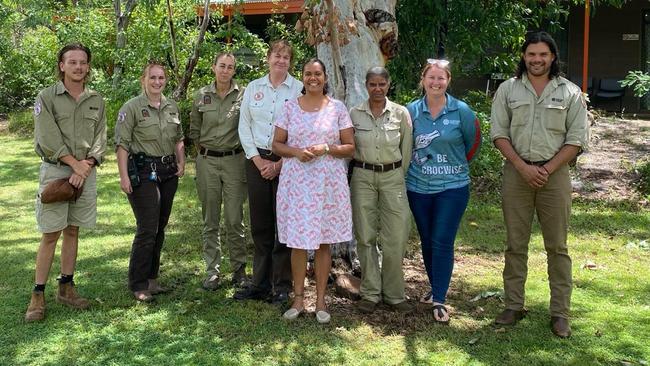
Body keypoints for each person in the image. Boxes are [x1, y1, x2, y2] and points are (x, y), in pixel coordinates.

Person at [490, 31, 589, 338]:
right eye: (531, 54)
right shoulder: (508, 90)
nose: (536, 59)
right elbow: (499, 133)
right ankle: (513, 305)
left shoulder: (570, 92)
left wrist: (545, 169)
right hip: (516, 175)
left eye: (543, 54)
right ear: (524, 56)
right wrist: (522, 167)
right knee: (515, 244)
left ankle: (560, 313)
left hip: (554, 177)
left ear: (552, 57)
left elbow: (576, 140)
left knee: (557, 246)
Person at [25, 43, 107, 322]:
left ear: (88, 66)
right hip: (57, 172)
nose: (78, 67)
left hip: (85, 173)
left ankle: (66, 287)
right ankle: (37, 295)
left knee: (73, 230)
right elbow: (47, 138)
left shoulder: (97, 99)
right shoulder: (46, 97)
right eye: (72, 62)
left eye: (83, 62)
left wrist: (88, 165)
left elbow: (100, 138)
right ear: (62, 66)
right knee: (51, 234)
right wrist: (75, 165)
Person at [272, 58, 355, 324]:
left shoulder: (338, 108)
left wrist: (327, 148)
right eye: (308, 74)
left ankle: (320, 300)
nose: (313, 78)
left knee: (322, 241)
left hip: (328, 183)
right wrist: (296, 152)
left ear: (325, 77)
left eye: (317, 74)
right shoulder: (289, 108)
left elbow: (350, 147)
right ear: (303, 77)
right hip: (297, 183)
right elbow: (276, 144)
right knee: (297, 242)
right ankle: (298, 298)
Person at [406, 59, 481, 324]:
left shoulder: (461, 111)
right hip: (417, 187)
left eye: (441, 78)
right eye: (431, 78)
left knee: (442, 240)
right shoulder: (411, 111)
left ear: (448, 81)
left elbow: (472, 146)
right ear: (423, 79)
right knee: (427, 239)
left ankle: (439, 299)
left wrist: (452, 167)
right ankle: (436, 285)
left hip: (452, 187)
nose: (436, 83)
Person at [235, 40, 303, 305]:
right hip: (256, 161)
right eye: (277, 55)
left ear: (290, 62)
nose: (281, 60)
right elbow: (244, 126)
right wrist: (258, 161)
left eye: (286, 57)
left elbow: (301, 130)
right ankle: (260, 283)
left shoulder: (298, 89)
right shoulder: (254, 88)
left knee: (283, 224)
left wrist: (279, 165)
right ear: (268, 58)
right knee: (261, 223)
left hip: (287, 162)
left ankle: (283, 285)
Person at [115, 61, 185, 302]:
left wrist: (182, 161)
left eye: (161, 78)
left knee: (160, 226)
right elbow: (122, 144)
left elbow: (179, 138)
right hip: (143, 172)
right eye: (152, 78)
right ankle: (138, 283)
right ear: (143, 80)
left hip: (168, 172)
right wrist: (124, 176)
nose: (157, 82)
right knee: (147, 227)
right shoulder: (132, 107)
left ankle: (152, 279)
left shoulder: (171, 106)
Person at [350, 67, 413, 314]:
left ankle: (395, 295)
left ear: (388, 85)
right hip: (363, 176)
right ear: (366, 86)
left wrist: (396, 173)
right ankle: (370, 293)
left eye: (381, 84)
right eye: (372, 85)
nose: (377, 89)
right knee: (365, 236)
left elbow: (406, 149)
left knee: (395, 236)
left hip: (393, 177)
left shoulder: (401, 113)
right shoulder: (355, 113)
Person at [190, 52, 247, 290]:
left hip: (234, 161)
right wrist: (204, 155)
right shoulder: (201, 96)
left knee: (235, 219)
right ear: (213, 67)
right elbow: (194, 130)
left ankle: (239, 269)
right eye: (221, 66)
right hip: (208, 161)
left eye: (230, 67)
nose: (225, 70)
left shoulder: (244, 95)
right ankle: (212, 271)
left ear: (234, 70)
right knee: (210, 218)